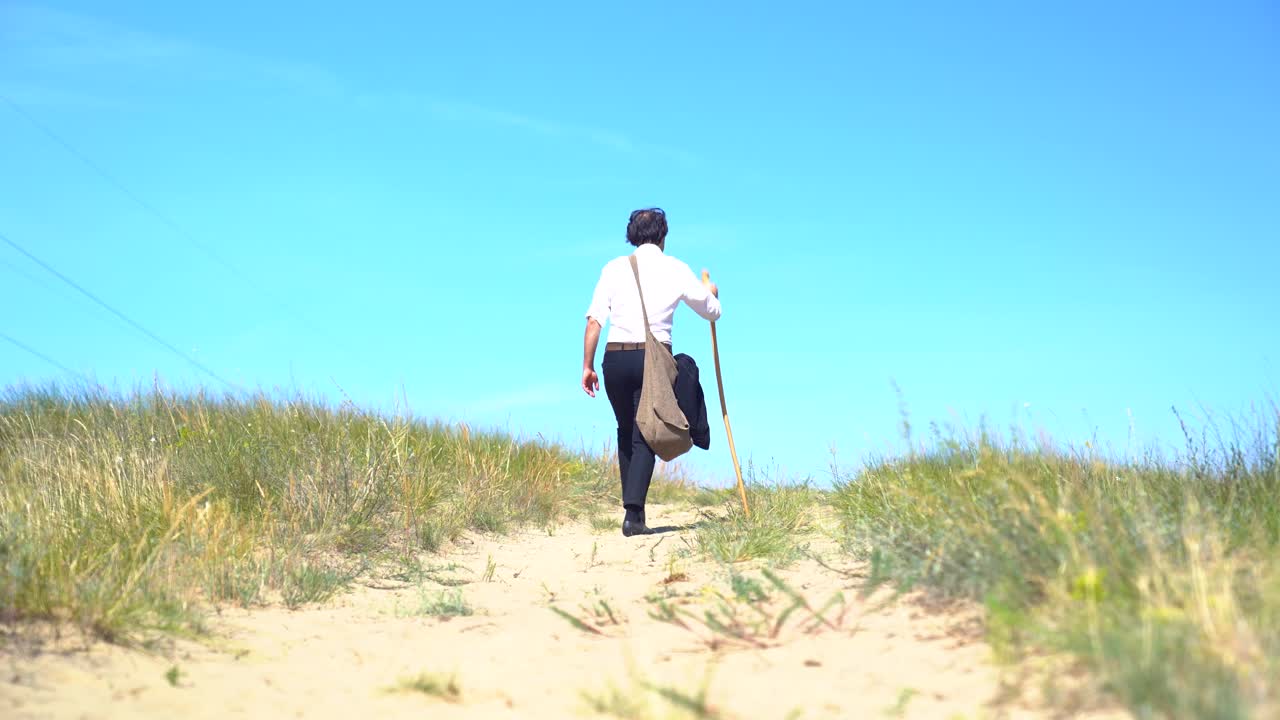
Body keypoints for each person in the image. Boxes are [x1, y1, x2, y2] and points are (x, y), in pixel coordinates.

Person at [581, 208, 721, 537]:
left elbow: (593, 321)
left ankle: (635, 511)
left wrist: (587, 366)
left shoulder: (613, 268)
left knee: (627, 428)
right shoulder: (675, 268)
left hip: (613, 359)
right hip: (652, 358)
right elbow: (712, 313)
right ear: (663, 235)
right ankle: (633, 517)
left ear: (632, 235)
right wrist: (712, 293)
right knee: (646, 432)